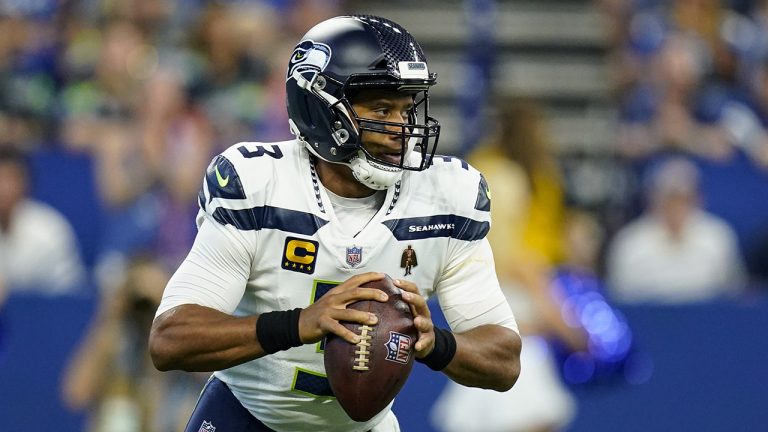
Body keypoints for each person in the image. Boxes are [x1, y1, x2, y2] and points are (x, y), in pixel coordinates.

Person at [149, 14, 522, 432]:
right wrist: (298, 324)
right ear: (322, 110)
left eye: (406, 109)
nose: (403, 128)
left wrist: (436, 342)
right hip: (249, 416)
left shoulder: (447, 195)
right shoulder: (259, 184)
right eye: (382, 108)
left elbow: (504, 360)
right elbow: (170, 339)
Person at [431, 100, 583, 432]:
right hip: (516, 335)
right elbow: (525, 270)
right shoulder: (521, 249)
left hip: (483, 331)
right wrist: (570, 329)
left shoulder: (481, 174)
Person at [606, 156, 746, 303]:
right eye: (669, 198)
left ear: (698, 199)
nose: (676, 207)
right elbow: (619, 300)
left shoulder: (718, 236)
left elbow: (734, 295)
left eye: (684, 199)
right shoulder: (630, 242)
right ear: (653, 199)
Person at [0, 147, 85, 293]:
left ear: (26, 183)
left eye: (11, 178)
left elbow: (70, 294)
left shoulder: (50, 230)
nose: (4, 188)